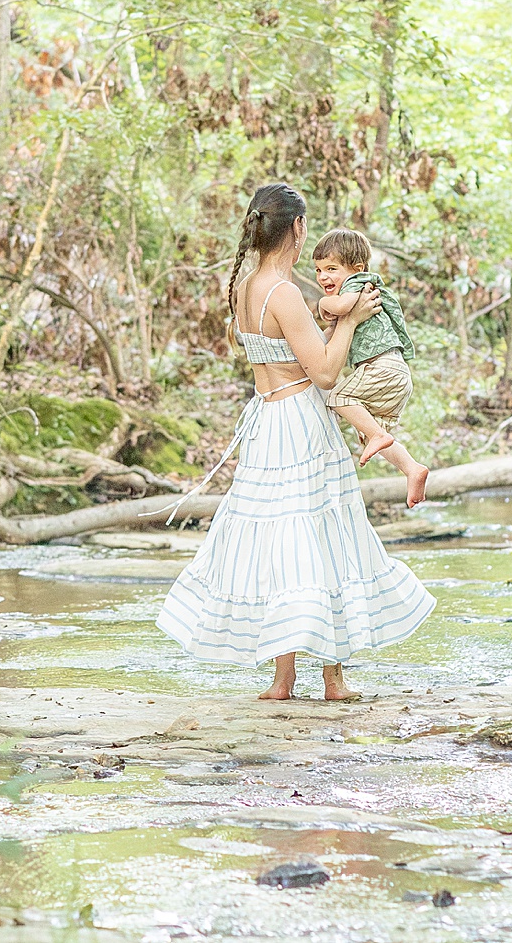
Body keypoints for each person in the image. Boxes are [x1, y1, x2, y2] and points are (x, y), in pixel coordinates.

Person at [156, 183, 437, 701]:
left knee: (283, 547)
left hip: (266, 422)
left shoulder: (245, 286)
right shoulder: (284, 293)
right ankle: (333, 680)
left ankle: (283, 679)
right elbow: (327, 373)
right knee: (325, 540)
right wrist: (350, 320)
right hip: (302, 424)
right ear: (299, 230)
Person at [310, 228, 430, 508]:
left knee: (338, 398)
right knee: (369, 434)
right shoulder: (358, 290)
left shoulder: (357, 285)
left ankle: (378, 435)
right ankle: (412, 468)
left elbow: (341, 306)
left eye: (331, 268)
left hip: (381, 368)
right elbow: (330, 335)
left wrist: (323, 303)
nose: (323, 277)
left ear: (357, 268)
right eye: (318, 270)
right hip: (394, 372)